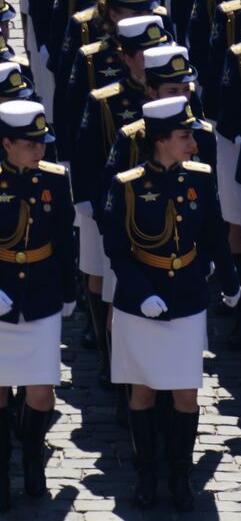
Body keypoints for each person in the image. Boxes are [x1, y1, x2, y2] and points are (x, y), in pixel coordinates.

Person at [100, 96, 241, 511]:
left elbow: (215, 234)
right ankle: (146, 475)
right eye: (184, 136)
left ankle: (180, 475)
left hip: (186, 298)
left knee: (185, 395)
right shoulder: (125, 186)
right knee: (141, 392)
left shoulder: (198, 178)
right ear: (160, 141)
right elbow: (116, 248)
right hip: (139, 300)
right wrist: (142, 293)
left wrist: (231, 282)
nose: (193, 144)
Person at [0, 100, 75, 508]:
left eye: (42, 142)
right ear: (7, 143)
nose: (39, 150)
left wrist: (69, 290)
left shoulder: (55, 179)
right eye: (30, 144)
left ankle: (32, 455)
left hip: (41, 294)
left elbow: (64, 238)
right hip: (2, 293)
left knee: (41, 392)